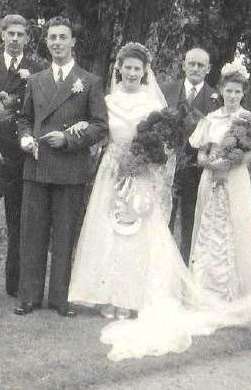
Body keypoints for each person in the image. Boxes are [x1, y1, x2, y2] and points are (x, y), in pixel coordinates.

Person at [68, 42, 172, 319]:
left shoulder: (152, 104)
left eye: (137, 69)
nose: (132, 73)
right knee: (108, 227)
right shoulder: (108, 101)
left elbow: (160, 140)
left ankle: (131, 296)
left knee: (136, 230)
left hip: (139, 171)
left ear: (144, 72)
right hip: (112, 168)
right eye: (128, 67)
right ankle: (106, 295)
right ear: (119, 69)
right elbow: (101, 132)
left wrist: (142, 159)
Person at [14, 16, 108, 318]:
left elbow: (99, 127)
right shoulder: (36, 80)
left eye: (62, 37)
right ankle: (28, 297)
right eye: (52, 37)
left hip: (69, 168)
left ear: (72, 42)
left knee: (64, 235)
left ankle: (59, 298)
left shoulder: (89, 81)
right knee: (33, 234)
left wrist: (67, 139)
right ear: (47, 43)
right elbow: (23, 119)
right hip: (37, 166)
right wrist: (26, 138)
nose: (57, 42)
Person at [0, 14, 42, 297]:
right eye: (10, 33)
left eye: (20, 34)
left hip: (22, 156)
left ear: (27, 38)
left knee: (19, 223)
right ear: (1, 35)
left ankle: (14, 285)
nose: (15, 39)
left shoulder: (39, 68)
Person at [187, 63, 251, 300]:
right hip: (210, 178)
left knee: (236, 228)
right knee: (208, 229)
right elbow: (200, 153)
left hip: (236, 180)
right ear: (221, 91)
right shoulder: (210, 119)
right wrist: (211, 163)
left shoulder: (248, 120)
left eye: (237, 92)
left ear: (243, 94)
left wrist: (229, 164)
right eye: (229, 91)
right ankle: (204, 290)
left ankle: (235, 294)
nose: (232, 96)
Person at [161, 48, 219, 265]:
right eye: (191, 63)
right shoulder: (165, 91)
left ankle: (186, 272)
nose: (195, 68)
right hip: (166, 167)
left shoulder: (217, 100)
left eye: (201, 65)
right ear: (183, 65)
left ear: (208, 69)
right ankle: (160, 271)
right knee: (162, 220)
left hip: (198, 171)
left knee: (191, 224)